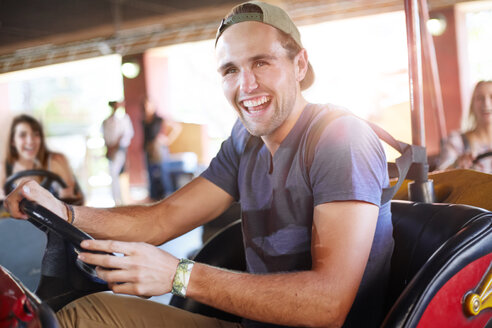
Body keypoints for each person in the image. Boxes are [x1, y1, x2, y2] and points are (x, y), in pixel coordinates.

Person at [4, 2, 393, 327]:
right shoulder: (247, 142)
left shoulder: (340, 139)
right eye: (230, 70)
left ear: (300, 64)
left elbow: (329, 305)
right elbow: (159, 220)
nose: (247, 85)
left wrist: (179, 275)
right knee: (80, 316)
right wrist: (64, 211)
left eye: (262, 63)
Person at [0, 114, 82, 202]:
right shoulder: (4, 168)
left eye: (35, 134)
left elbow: (70, 201)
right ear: (13, 141)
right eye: (23, 135)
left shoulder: (56, 160)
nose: (30, 141)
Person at [437, 80, 492, 173]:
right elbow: (440, 176)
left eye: (491, 97)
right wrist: (456, 164)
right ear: (472, 105)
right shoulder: (457, 141)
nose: (486, 103)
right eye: (480, 98)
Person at [141, 97, 182, 200]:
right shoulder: (144, 120)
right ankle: (154, 196)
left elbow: (177, 127)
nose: (146, 107)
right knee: (150, 173)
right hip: (148, 148)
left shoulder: (159, 119)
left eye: (148, 105)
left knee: (163, 172)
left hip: (159, 148)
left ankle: (167, 194)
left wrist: (167, 140)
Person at [102, 101, 134, 205]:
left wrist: (116, 146)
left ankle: (123, 199)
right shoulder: (106, 121)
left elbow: (127, 135)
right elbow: (105, 136)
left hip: (120, 150)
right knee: (113, 174)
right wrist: (109, 147)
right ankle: (117, 200)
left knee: (119, 174)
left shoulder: (124, 119)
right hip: (111, 150)